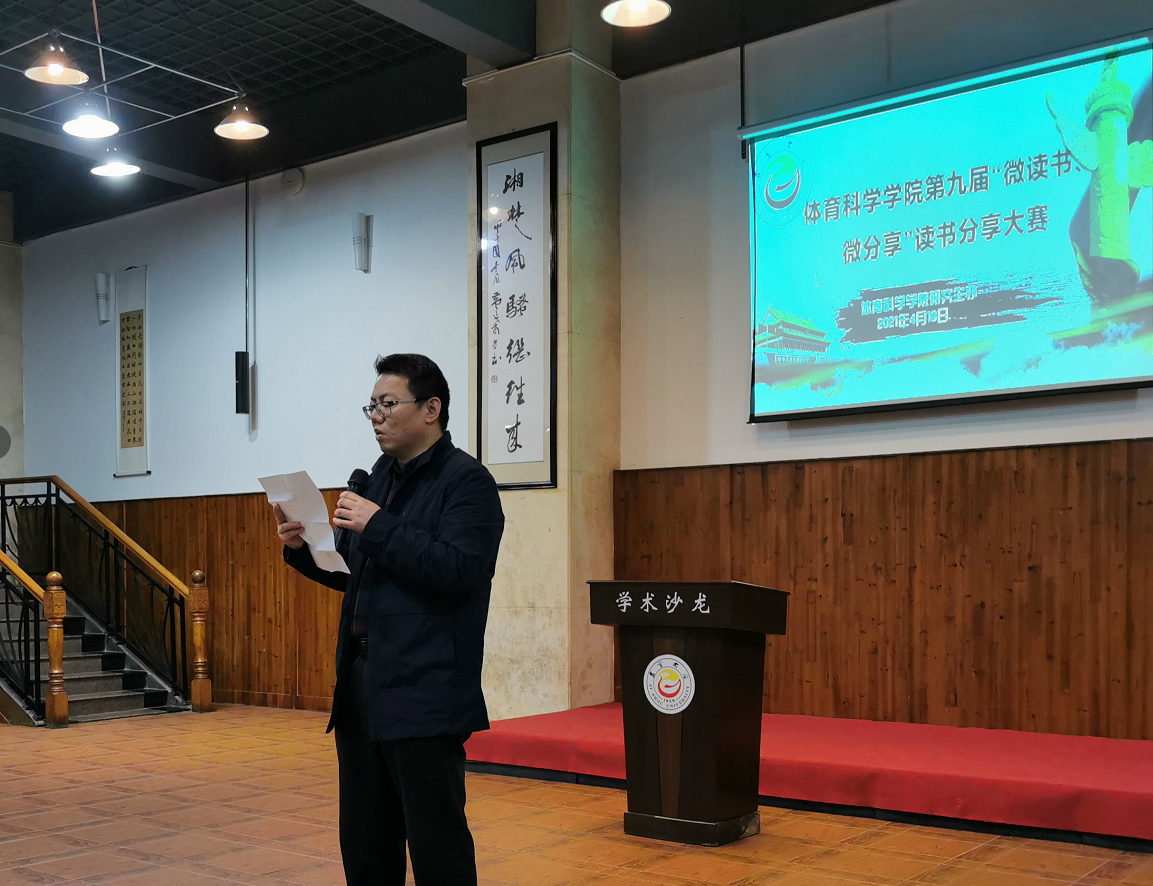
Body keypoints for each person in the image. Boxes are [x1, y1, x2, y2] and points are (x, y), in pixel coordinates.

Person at [272, 353, 504, 886]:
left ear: (431, 409)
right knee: (365, 838)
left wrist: (378, 526)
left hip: (425, 687)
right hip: (361, 682)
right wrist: (304, 548)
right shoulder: (377, 478)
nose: (376, 417)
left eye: (387, 404)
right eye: (371, 407)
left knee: (436, 841)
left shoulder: (467, 481)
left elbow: (460, 570)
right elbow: (353, 573)